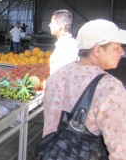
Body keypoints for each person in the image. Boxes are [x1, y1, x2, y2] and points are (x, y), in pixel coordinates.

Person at [43, 19, 126, 158]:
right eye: (116, 47)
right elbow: (120, 150)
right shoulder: (110, 87)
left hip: (51, 153)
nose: (122, 52)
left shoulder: (57, 76)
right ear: (97, 49)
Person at [48, 9, 79, 74]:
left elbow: (63, 77)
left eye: (51, 22)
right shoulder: (65, 44)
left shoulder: (67, 48)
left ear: (60, 26)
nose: (49, 25)